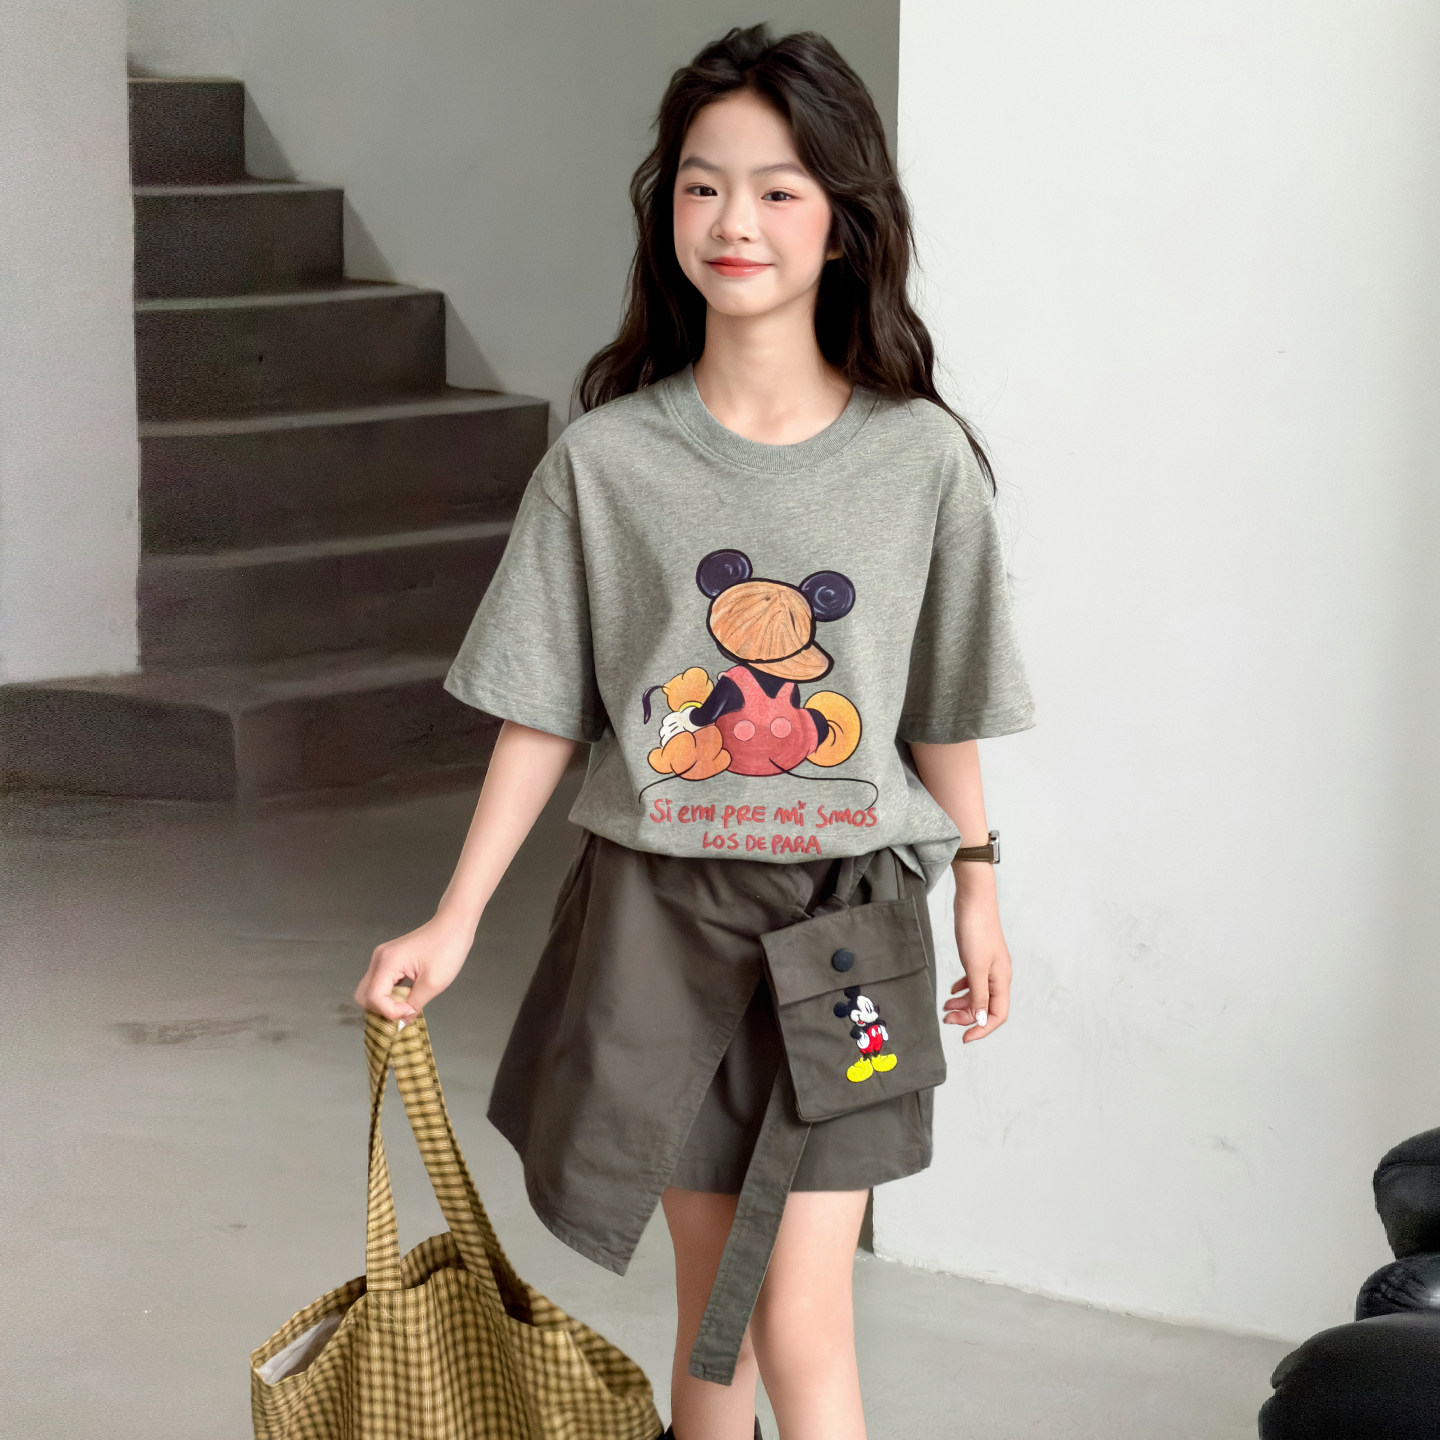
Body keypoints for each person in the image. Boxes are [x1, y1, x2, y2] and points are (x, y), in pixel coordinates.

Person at [354, 23, 1035, 1440]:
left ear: (845, 221)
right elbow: (545, 712)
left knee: (800, 1314)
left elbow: (944, 703)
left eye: (780, 189)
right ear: (666, 208)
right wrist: (454, 919)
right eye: (703, 185)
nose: (735, 221)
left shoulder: (921, 459)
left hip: (850, 929)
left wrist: (979, 881)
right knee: (712, 1303)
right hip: (653, 927)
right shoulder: (606, 462)